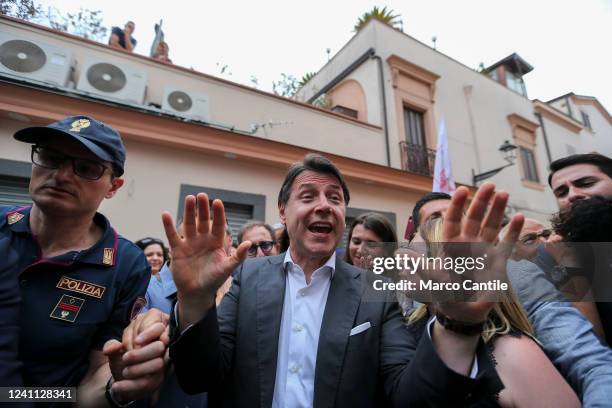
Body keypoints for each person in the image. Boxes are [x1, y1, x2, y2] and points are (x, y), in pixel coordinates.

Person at [129, 154, 531, 406]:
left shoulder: (376, 289)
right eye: (309, 196)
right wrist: (195, 299)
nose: (324, 205)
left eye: (335, 198)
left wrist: (456, 324)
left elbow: (409, 398)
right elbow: (201, 376)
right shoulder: (248, 277)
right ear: (283, 211)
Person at [1, 115, 165, 405]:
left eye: (87, 168)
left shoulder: (125, 264)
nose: (62, 175)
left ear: (113, 187)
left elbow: (95, 376)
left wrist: (114, 386)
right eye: (50, 157)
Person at [410, 190, 612, 406]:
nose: (451, 222)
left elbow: (590, 362)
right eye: (435, 218)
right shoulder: (414, 303)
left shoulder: (518, 282)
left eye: (458, 214)